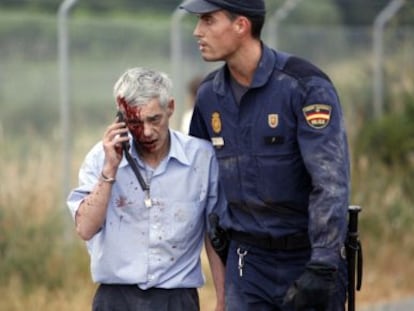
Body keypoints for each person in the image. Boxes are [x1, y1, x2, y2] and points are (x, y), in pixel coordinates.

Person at [179, 1, 350, 311]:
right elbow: (201, 185)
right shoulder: (208, 96)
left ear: (241, 25)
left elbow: (330, 182)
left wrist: (323, 265)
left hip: (307, 257)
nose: (197, 31)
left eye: (207, 20)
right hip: (247, 263)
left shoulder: (304, 86)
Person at [66, 67, 226, 311]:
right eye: (135, 122)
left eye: (154, 119)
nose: (147, 132)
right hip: (117, 297)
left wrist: (223, 301)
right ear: (120, 119)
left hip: (176, 298)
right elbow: (85, 228)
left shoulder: (201, 159)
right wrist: (110, 170)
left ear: (170, 108)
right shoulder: (101, 159)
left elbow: (213, 235)